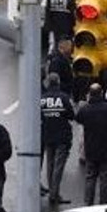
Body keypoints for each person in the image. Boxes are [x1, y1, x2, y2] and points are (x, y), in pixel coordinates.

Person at [76, 83, 107, 205]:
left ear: (89, 94)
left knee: (90, 177)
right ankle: (104, 202)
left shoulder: (85, 109)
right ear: (102, 93)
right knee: (105, 178)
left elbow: (78, 119)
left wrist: (87, 102)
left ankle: (88, 203)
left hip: (91, 149)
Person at [41, 72, 76, 204]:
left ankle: (52, 191)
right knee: (58, 166)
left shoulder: (43, 99)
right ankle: (54, 194)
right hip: (62, 136)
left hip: (48, 135)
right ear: (59, 82)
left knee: (50, 165)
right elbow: (72, 115)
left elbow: (40, 117)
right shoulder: (64, 97)